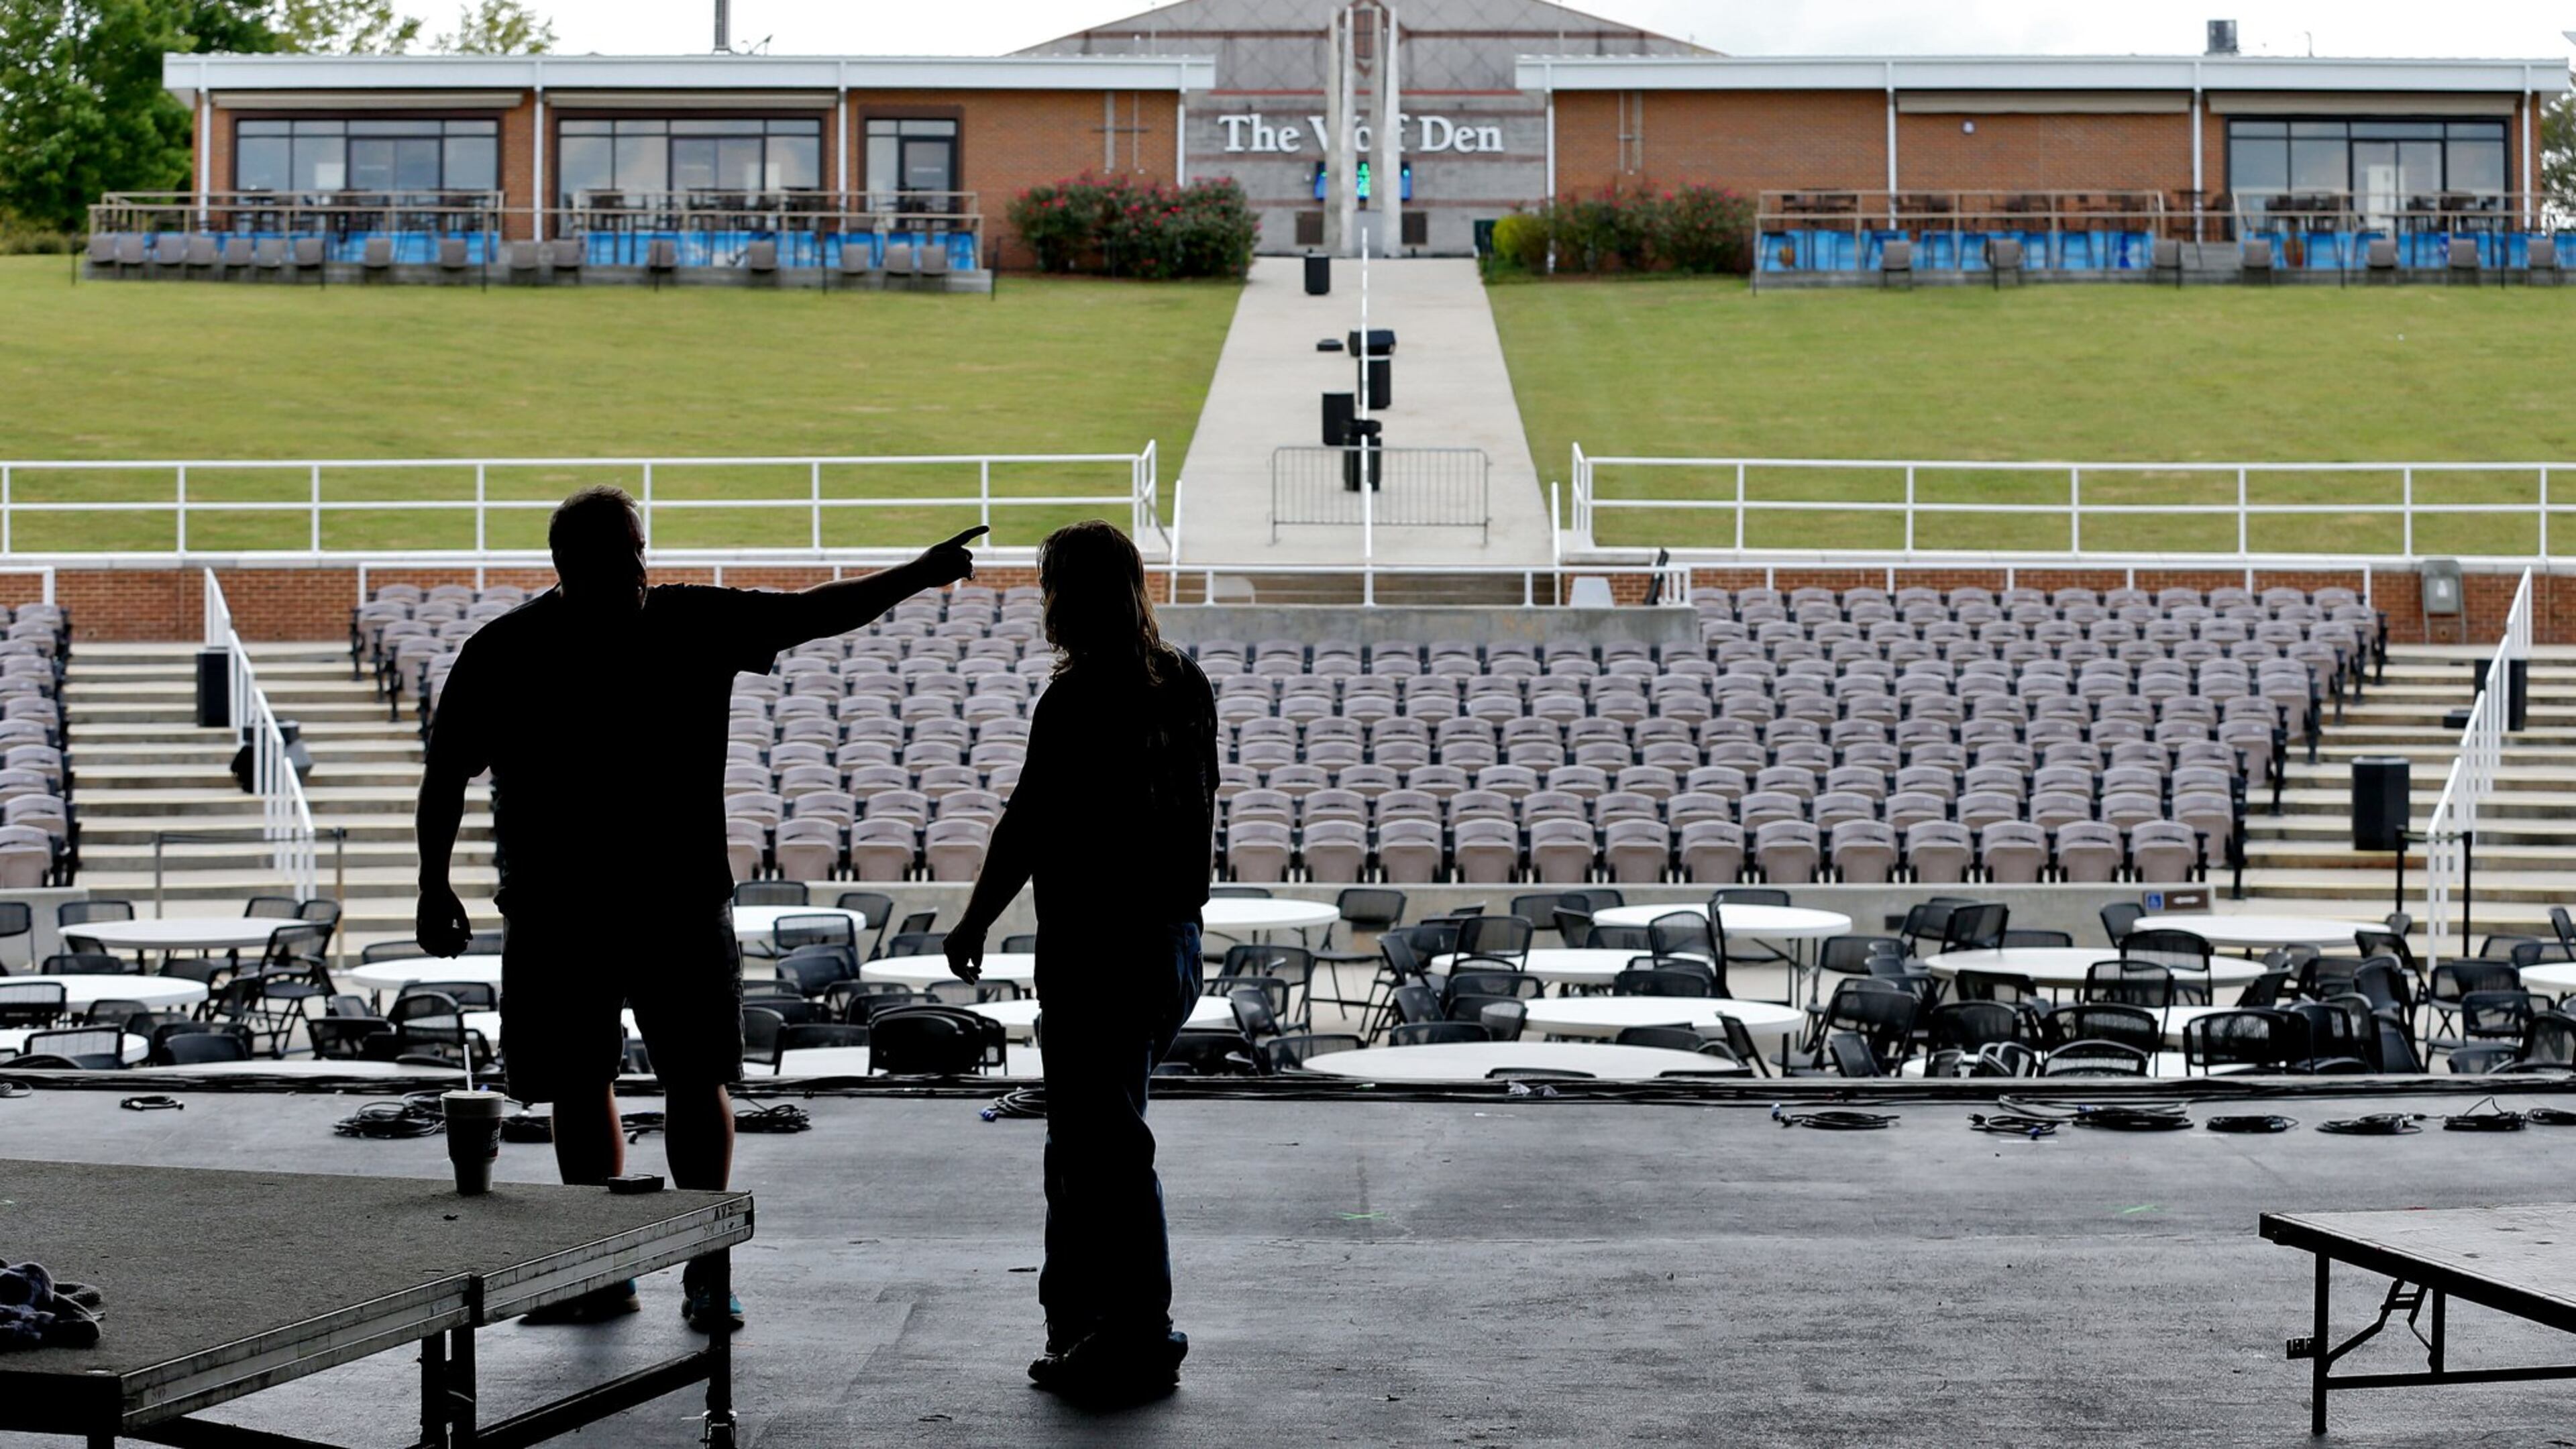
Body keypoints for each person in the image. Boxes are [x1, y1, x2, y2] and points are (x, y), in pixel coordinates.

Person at [414, 484, 982, 1330]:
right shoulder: (650, 628)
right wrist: (432, 884)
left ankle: (682, 1268)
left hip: (591, 902)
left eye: (639, 550)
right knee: (609, 1078)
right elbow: (444, 775)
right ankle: (623, 1269)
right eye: (621, 556)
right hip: (638, 902)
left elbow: (815, 612)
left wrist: (918, 574)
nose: (638, 570)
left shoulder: (515, 646)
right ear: (570, 566)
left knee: (666, 1076)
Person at [945, 520, 1216, 1401]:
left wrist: (975, 921)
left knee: (1104, 1150)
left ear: (1069, 594)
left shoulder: (1077, 700)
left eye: (1048, 584)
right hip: (1170, 942)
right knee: (1088, 1142)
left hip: (1099, 947)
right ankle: (1079, 1328)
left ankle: (1136, 1329)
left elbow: (1028, 824)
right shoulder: (1186, 685)